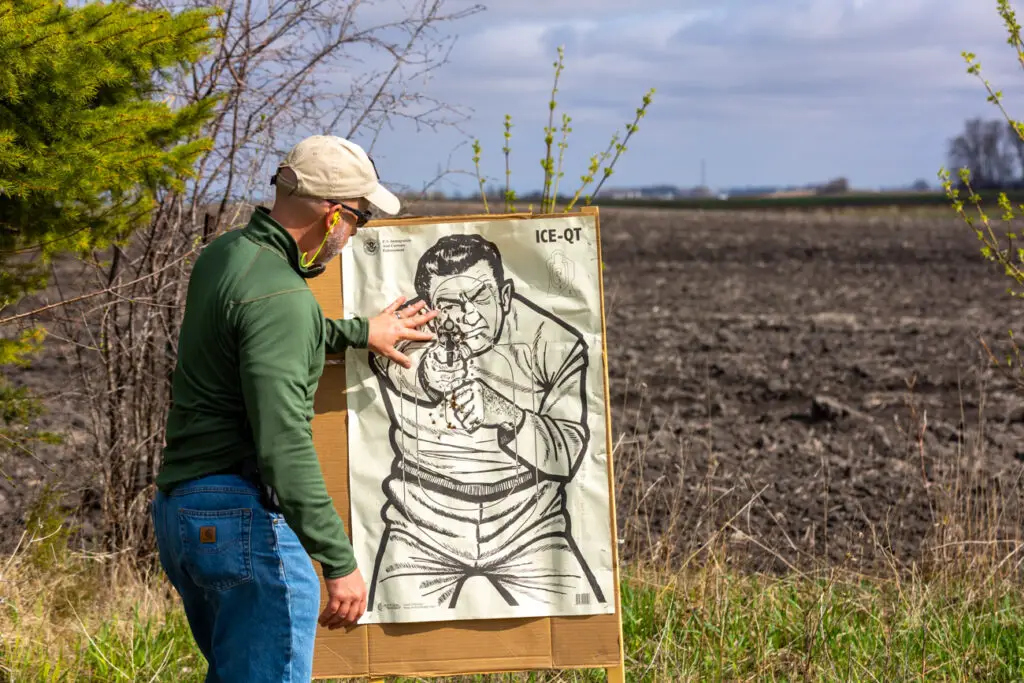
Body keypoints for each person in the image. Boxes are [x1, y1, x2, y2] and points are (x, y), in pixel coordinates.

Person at [151, 134, 437, 682]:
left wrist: (357, 331)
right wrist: (338, 560)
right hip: (242, 517)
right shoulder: (282, 297)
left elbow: (256, 336)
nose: (356, 234)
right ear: (334, 216)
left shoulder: (226, 256)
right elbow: (283, 441)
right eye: (361, 219)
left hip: (184, 511)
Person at [364, 233, 606, 618]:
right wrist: (431, 375)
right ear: (428, 306)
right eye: (450, 304)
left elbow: (567, 456)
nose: (468, 315)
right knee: (384, 632)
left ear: (505, 295)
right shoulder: (399, 329)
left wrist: (508, 414)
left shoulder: (554, 342)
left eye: (479, 297)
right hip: (423, 521)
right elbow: (394, 362)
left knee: (585, 625)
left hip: (528, 521)